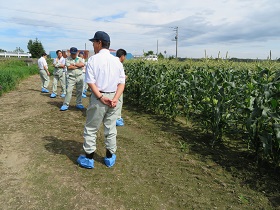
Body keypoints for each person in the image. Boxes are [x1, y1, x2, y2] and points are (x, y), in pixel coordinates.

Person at [77, 31, 126, 169]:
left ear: (99, 43)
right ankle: (110, 157)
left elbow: (91, 82)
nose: (93, 45)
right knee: (110, 128)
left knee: (91, 128)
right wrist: (115, 99)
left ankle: (89, 159)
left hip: (100, 98)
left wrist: (100, 97)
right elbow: (122, 83)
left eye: (94, 42)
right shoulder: (116, 61)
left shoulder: (93, 59)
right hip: (113, 98)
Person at [115, 49, 127, 126]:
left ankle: (117, 117)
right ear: (122, 56)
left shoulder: (113, 61)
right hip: (118, 86)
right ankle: (117, 118)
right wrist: (124, 78)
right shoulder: (118, 63)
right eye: (124, 56)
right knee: (118, 102)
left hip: (114, 85)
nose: (125, 58)